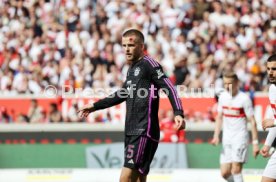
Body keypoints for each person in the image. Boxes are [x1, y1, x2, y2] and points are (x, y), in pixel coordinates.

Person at [78, 29, 186, 182]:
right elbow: (122, 94)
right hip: (131, 129)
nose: (126, 49)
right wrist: (95, 106)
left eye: (131, 45)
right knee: (139, 178)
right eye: (124, 46)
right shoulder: (132, 69)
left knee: (126, 178)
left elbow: (169, 87)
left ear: (141, 46)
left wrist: (178, 112)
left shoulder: (150, 64)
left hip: (143, 129)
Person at [211, 72, 259, 182]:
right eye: (225, 84)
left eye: (230, 83)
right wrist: (216, 135)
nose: (227, 86)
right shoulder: (222, 97)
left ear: (237, 83)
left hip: (240, 138)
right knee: (224, 173)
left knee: (236, 170)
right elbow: (219, 117)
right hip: (227, 139)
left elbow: (253, 121)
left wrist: (255, 143)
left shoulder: (244, 99)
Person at [260, 54, 276, 182]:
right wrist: (267, 144)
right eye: (268, 69)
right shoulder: (272, 89)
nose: (270, 72)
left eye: (274, 69)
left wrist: (274, 122)